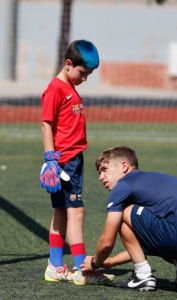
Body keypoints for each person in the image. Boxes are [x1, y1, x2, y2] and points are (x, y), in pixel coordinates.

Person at [80, 145, 177, 292]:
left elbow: (107, 241)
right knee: (149, 227)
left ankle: (143, 276)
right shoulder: (154, 181)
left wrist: (95, 263)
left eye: (104, 169)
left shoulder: (123, 186)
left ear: (124, 166)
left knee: (123, 211)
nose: (100, 177)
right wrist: (110, 262)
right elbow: (142, 244)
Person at [39, 40, 114, 285]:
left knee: (61, 212)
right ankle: (83, 270)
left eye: (88, 75)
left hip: (72, 160)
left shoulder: (69, 86)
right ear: (68, 64)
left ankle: (54, 266)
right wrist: (50, 159)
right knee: (76, 212)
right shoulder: (56, 89)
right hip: (64, 163)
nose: (85, 78)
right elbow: (46, 124)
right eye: (83, 73)